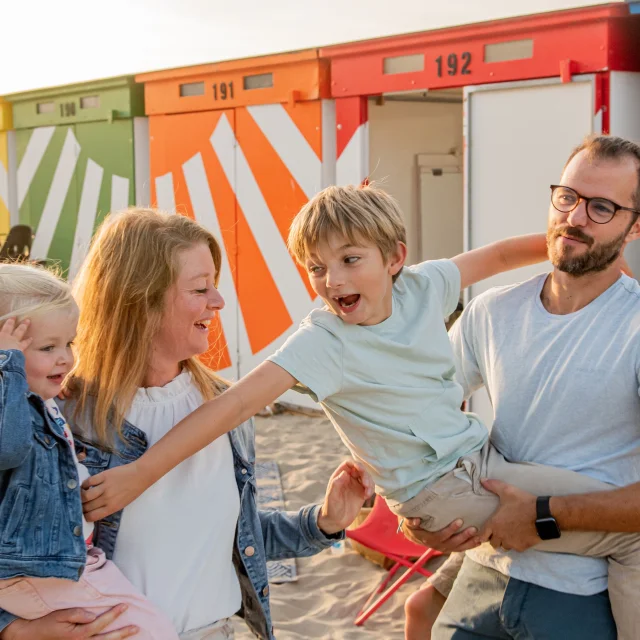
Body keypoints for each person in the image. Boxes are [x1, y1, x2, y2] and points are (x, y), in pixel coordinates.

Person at [84, 182, 640, 635]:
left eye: (350, 260)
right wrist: (139, 474)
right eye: (316, 268)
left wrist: (596, 265)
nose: (333, 281)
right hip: (439, 490)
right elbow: (232, 407)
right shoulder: (322, 340)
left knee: (615, 517)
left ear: (395, 258)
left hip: (479, 460)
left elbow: (497, 255)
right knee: (629, 535)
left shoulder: (422, 288)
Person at [0, 210, 373, 640]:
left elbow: (231, 539)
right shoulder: (61, 414)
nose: (218, 301)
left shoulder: (225, 408)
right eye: (201, 288)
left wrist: (323, 522)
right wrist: (16, 629)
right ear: (139, 299)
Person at [402, 134, 640, 640]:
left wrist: (543, 516)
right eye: (567, 197)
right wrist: (415, 512)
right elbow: (414, 413)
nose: (575, 217)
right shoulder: (491, 311)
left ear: (634, 228)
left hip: (581, 596)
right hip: (483, 573)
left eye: (601, 207)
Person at [0, 264, 178, 639]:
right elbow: (9, 448)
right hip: (38, 573)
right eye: (48, 348)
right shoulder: (11, 406)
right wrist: (9, 369)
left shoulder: (39, 400)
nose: (65, 358)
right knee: (150, 630)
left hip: (66, 562)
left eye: (69, 343)